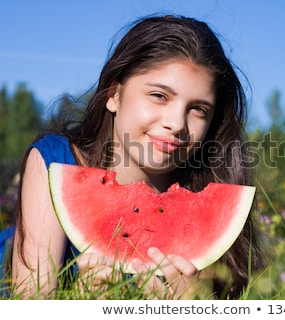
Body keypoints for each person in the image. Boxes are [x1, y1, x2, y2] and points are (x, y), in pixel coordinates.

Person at [8, 14, 269, 299]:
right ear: (114, 94)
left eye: (198, 109)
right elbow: (31, 301)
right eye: (159, 95)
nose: (177, 123)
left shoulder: (213, 187)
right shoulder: (55, 162)